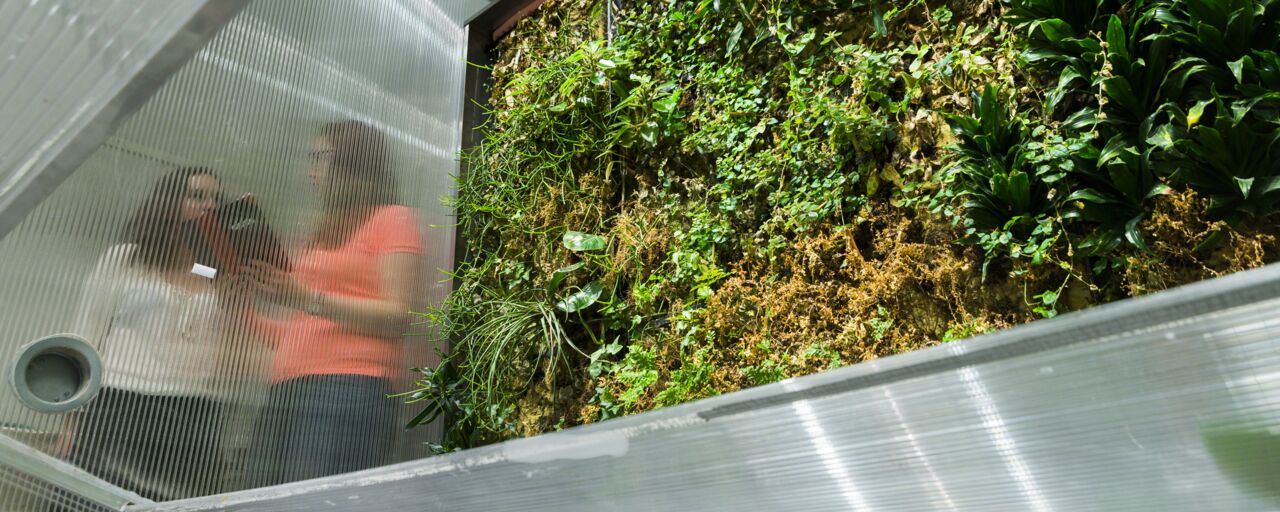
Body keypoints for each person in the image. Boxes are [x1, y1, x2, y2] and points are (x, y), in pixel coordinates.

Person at [244, 120, 422, 486]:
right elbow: (298, 332)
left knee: (312, 498)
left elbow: (399, 315)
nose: (310, 169)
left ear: (352, 162)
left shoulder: (392, 219)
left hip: (349, 386)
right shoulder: (323, 230)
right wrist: (237, 306)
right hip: (289, 385)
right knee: (259, 495)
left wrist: (307, 298)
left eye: (318, 157)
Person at [63, 167, 231, 501]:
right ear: (169, 202)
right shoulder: (126, 257)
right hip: (120, 402)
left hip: (191, 411)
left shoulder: (212, 271)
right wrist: (71, 421)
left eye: (216, 200)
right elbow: (85, 332)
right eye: (197, 195)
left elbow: (227, 347)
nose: (209, 205)